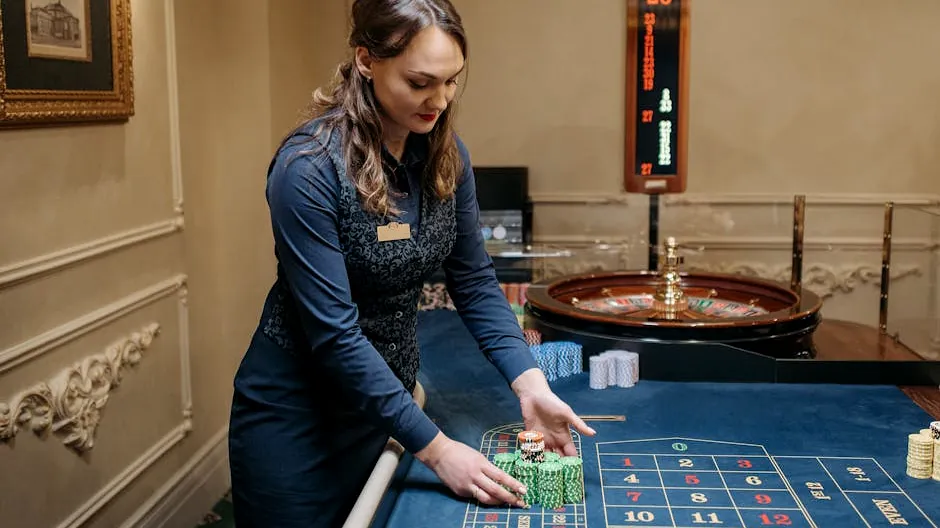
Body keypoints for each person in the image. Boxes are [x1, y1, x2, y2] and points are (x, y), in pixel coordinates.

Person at [227, 0, 596, 525]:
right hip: (298, 421)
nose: (439, 100)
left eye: (451, 82)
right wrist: (437, 448)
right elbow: (335, 336)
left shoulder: (447, 156)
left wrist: (531, 385)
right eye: (420, 82)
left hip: (387, 411)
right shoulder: (307, 169)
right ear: (365, 60)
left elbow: (474, 282)